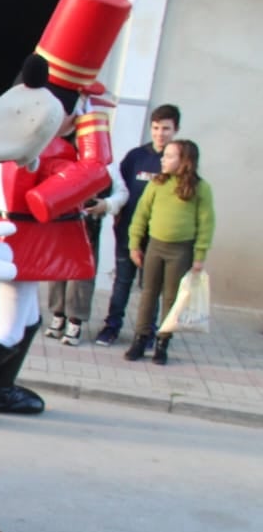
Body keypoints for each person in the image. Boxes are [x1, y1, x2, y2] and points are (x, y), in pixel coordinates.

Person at [95, 104, 180, 346]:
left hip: (158, 238)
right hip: (128, 233)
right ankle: (111, 327)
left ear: (176, 130)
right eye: (156, 128)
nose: (160, 133)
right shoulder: (136, 157)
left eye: (166, 129)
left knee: (151, 287)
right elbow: (118, 188)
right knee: (122, 281)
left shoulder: (178, 161)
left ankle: (147, 332)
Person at [123, 139, 214, 366]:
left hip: (181, 250)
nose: (163, 159)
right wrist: (135, 244)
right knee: (148, 293)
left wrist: (199, 255)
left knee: (172, 298)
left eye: (170, 156)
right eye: (164, 155)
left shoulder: (200, 189)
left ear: (185, 161)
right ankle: (140, 338)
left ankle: (163, 341)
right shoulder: (157, 183)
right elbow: (141, 215)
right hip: (155, 246)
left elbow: (206, 223)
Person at [43, 161, 126, 344]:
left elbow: (122, 193)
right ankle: (58, 316)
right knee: (58, 271)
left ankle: (75, 321)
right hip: (62, 225)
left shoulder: (107, 166)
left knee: (81, 275)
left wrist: (106, 204)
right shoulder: (65, 157)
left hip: (89, 227)